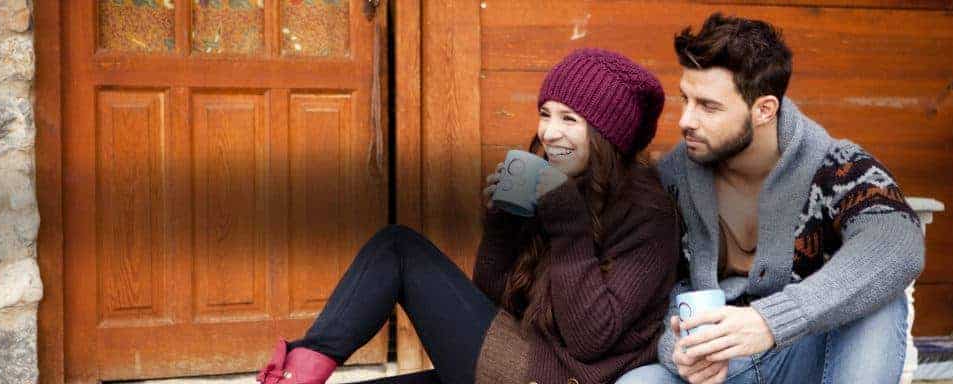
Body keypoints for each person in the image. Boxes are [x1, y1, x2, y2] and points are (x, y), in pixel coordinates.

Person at [256, 48, 680, 384]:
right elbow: (493, 300)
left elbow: (589, 342)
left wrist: (566, 221)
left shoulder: (648, 215)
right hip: (517, 355)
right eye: (545, 114)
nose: (550, 132)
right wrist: (502, 222)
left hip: (553, 376)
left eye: (570, 119)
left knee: (398, 247)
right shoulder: (563, 185)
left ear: (607, 135)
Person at [615, 13, 925, 384]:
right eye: (686, 99)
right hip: (725, 368)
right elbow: (649, 292)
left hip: (812, 359)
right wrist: (678, 352)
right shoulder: (671, 181)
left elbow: (897, 242)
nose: (685, 120)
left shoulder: (836, 167)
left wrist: (772, 320)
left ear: (764, 109)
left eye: (708, 106)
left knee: (878, 299)